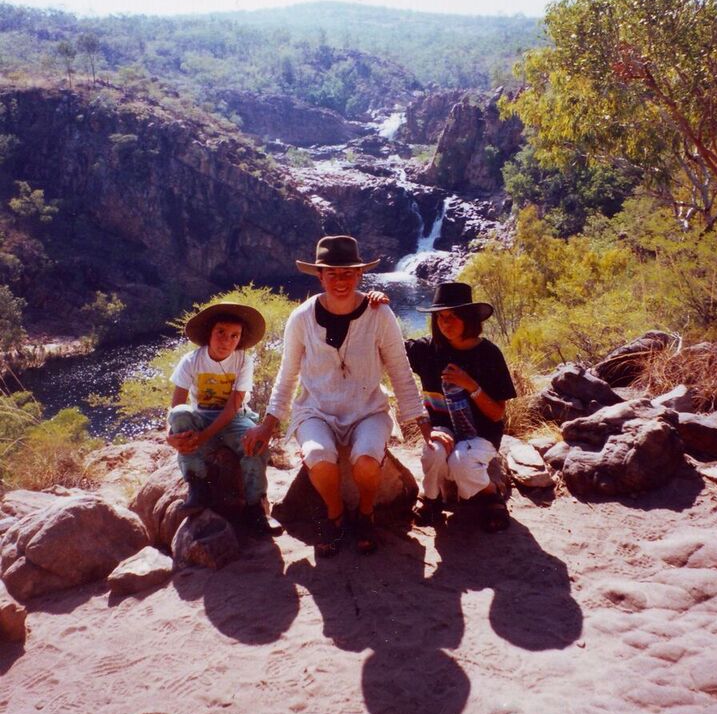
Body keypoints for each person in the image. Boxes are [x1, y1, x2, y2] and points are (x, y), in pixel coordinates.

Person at [244, 235, 431, 556]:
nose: (340, 281)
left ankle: (365, 515)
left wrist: (424, 423)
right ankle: (335, 516)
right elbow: (287, 374)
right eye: (332, 273)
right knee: (318, 457)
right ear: (320, 276)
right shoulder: (301, 318)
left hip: (368, 410)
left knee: (367, 461)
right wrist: (268, 424)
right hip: (316, 411)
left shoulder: (379, 315)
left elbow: (400, 371)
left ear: (360, 274)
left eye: (348, 273)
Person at [405, 282, 516, 532]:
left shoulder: (488, 354)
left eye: (454, 316)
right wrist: (376, 306)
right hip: (442, 427)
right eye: (441, 317)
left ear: (469, 318)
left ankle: (491, 493)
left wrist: (471, 386)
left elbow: (497, 414)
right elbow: (387, 346)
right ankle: (431, 498)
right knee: (434, 451)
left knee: (461, 462)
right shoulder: (426, 349)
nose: (446, 323)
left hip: (481, 433)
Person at [166, 301, 282, 536]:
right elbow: (176, 405)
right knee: (179, 415)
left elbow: (232, 408)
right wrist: (171, 437)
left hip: (234, 419)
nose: (227, 341)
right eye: (221, 333)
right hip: (201, 416)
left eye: (234, 336)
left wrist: (203, 437)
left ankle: (255, 507)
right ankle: (197, 486)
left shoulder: (243, 361)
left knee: (255, 443)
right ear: (210, 332)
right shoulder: (192, 360)